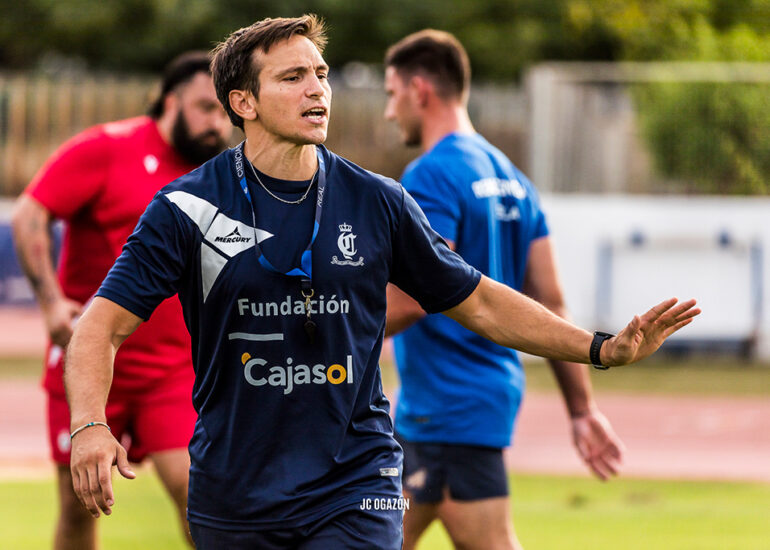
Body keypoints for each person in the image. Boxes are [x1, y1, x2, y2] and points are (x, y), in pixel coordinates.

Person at [61, 15, 699, 550]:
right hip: (236, 488)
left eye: (321, 74)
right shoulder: (186, 208)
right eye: (293, 77)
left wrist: (600, 347)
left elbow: (478, 300)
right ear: (243, 103)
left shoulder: (379, 201)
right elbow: (99, 328)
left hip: (356, 480)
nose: (318, 89)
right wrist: (89, 425)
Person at [381, 29, 630, 550]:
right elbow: (552, 301)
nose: (388, 111)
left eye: (391, 94)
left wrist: (319, 328)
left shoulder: (431, 175)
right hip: (478, 400)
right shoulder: (516, 179)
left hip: (444, 405)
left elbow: (412, 298)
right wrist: (581, 409)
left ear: (419, 90)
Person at [11, 51, 231, 549]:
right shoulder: (106, 148)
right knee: (79, 506)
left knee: (199, 497)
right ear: (170, 102)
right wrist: (51, 304)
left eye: (224, 113)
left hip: (173, 371)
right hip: (87, 365)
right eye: (205, 108)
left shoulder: (219, 176)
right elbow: (29, 215)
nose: (217, 124)